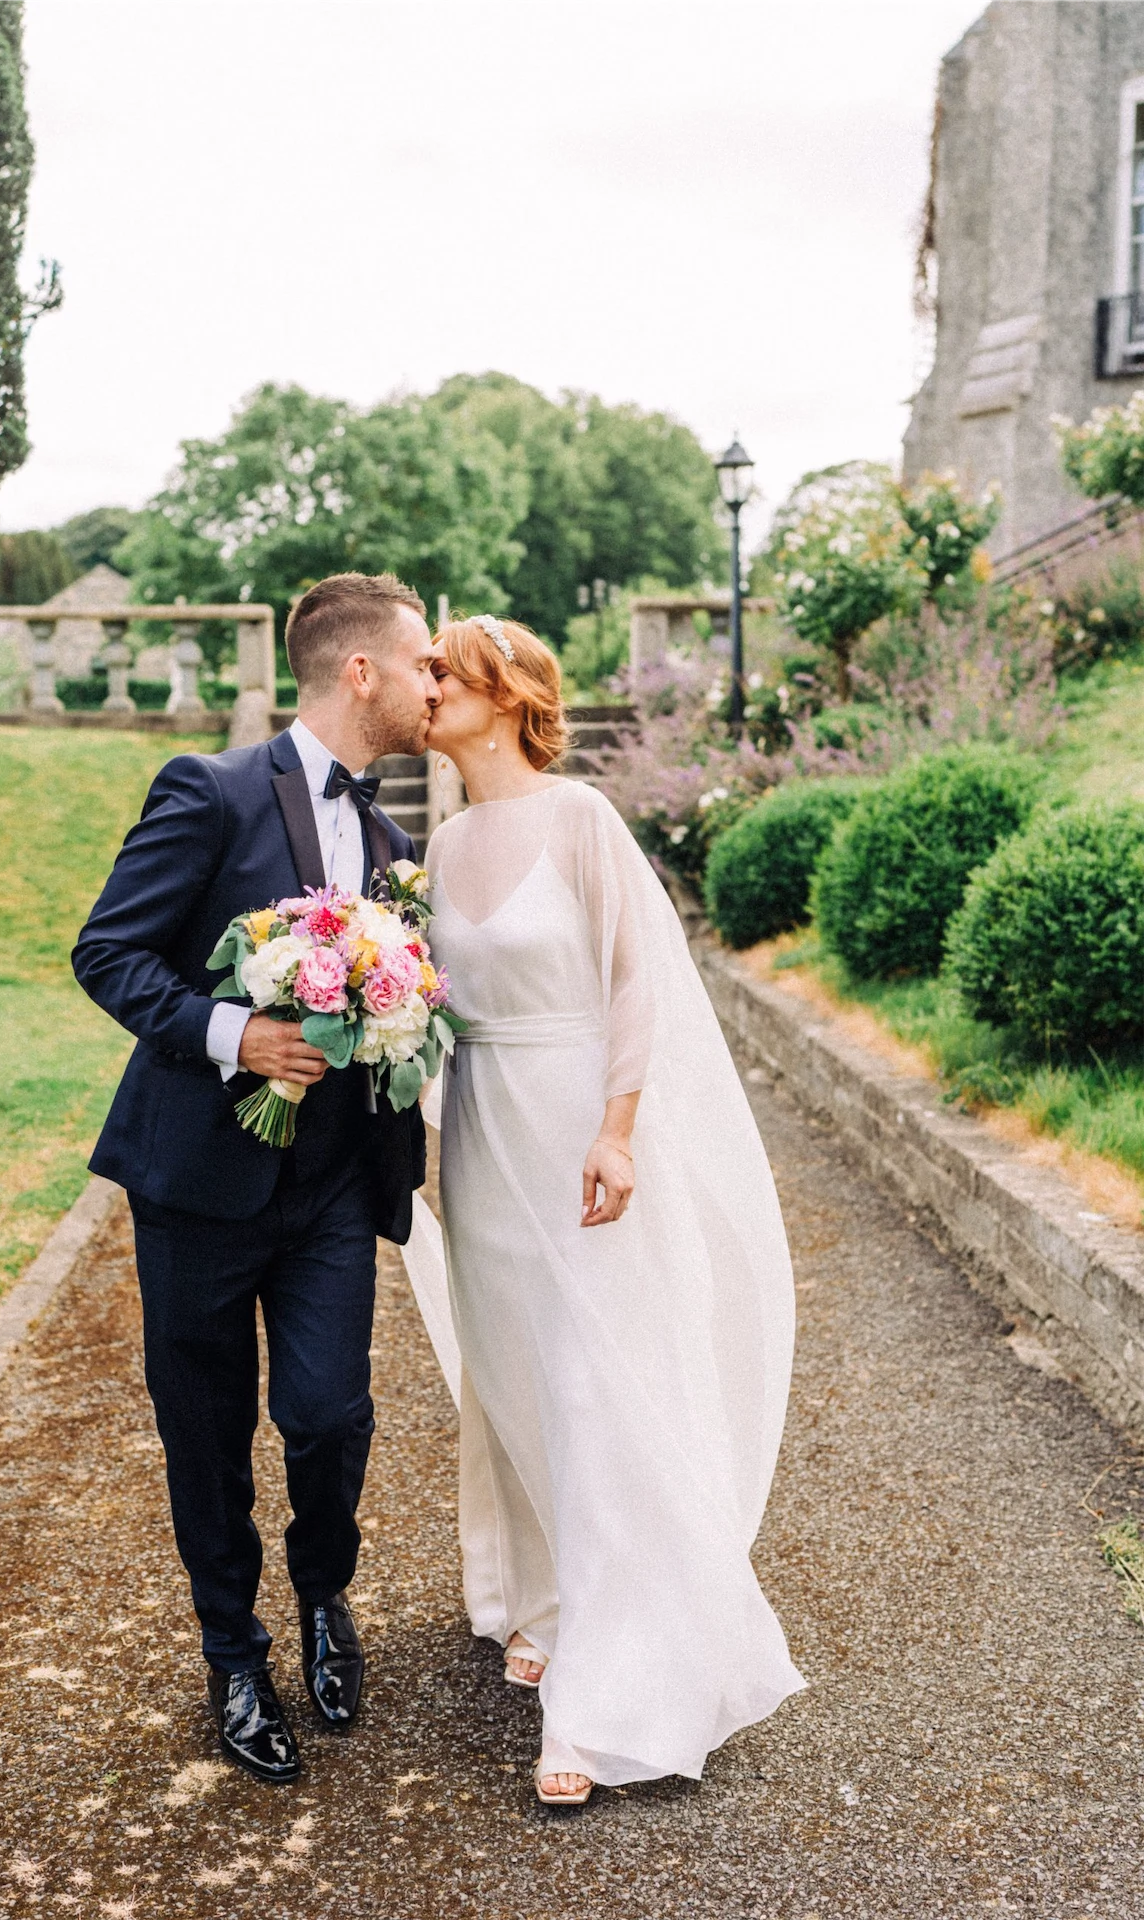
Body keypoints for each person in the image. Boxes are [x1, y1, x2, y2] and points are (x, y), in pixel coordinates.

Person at [401, 613, 806, 1808]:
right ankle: (542, 1595)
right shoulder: (442, 841)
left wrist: (617, 1130)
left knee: (592, 1379)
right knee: (512, 1371)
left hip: (577, 1124)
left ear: (505, 693)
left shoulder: (579, 818)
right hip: (481, 1137)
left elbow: (636, 979)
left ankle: (603, 1689)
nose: (425, 684)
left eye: (443, 670)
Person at [72, 572, 437, 1785]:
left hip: (331, 1191)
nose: (434, 684)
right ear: (359, 671)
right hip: (196, 1188)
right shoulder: (211, 789)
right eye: (422, 663)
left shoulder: (392, 848)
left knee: (329, 1414)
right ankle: (233, 1654)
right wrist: (237, 1034)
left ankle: (326, 1596)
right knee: (207, 1433)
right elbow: (107, 951)